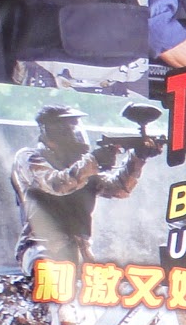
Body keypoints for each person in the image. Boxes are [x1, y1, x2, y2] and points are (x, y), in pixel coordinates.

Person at [11, 104, 154, 272]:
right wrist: (93, 161)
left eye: (75, 127)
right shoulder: (29, 157)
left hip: (79, 248)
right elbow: (57, 184)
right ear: (52, 131)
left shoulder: (81, 166)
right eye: (69, 128)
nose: (76, 134)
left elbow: (119, 189)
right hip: (41, 246)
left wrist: (138, 157)